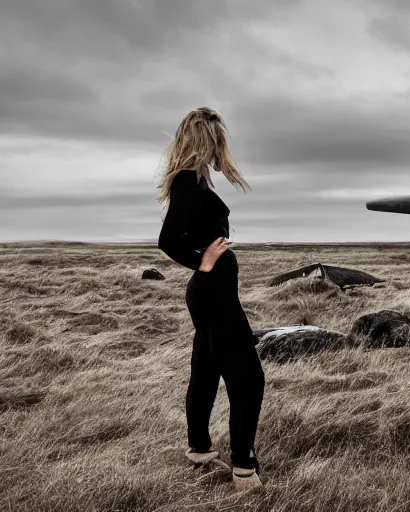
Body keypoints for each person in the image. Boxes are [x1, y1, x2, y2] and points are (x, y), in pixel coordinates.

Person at [156, 107, 265, 487]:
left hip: (210, 291)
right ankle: (243, 467)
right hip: (213, 290)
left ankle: (199, 448)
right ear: (207, 139)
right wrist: (202, 263)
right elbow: (168, 240)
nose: (223, 145)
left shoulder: (196, 179)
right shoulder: (188, 180)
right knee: (248, 377)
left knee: (206, 367)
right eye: (219, 137)